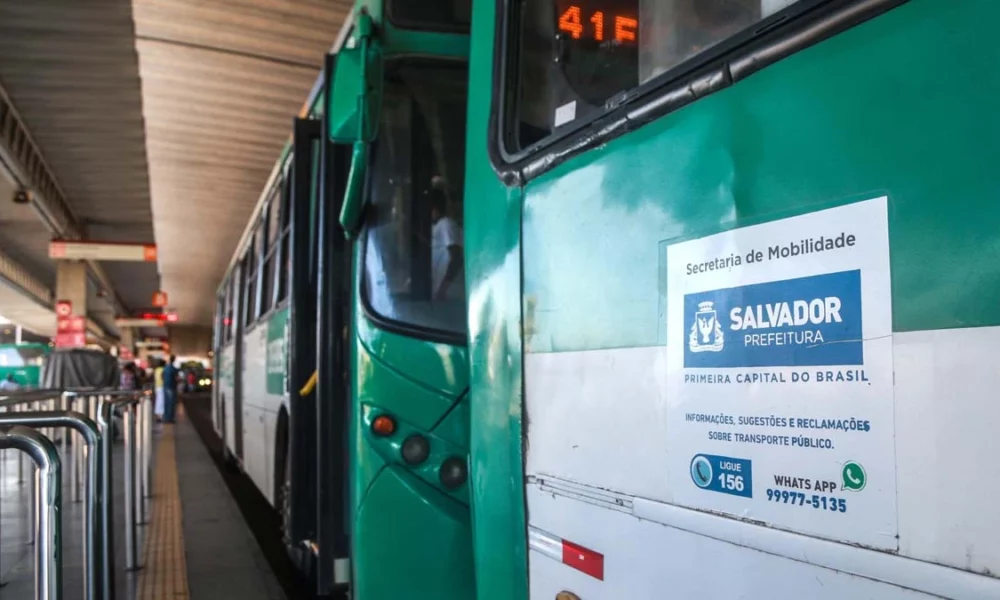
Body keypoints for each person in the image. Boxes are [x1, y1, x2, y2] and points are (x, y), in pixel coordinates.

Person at [429, 184, 464, 301]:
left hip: (447, 293)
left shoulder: (445, 224)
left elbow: (456, 257)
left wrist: (443, 288)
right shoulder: (436, 226)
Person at [162, 355, 179, 423]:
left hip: (165, 387)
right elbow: (177, 378)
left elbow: (162, 376)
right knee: (171, 404)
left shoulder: (165, 368)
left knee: (166, 403)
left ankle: (166, 418)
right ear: (174, 360)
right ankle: (170, 419)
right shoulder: (174, 369)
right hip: (171, 387)